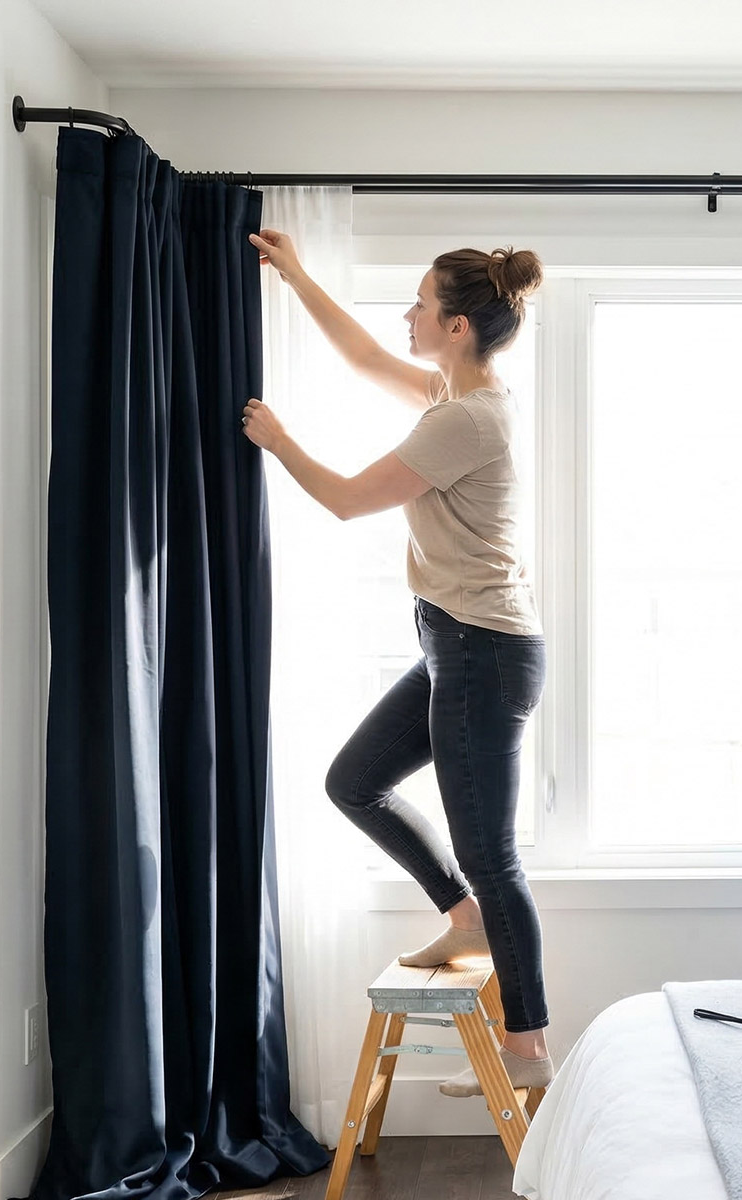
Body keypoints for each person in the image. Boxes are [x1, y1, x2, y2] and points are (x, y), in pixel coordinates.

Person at [242, 229, 551, 1097]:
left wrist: (276, 438)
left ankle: (528, 1048)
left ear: (457, 326)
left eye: (421, 303)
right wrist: (298, 276)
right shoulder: (457, 396)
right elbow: (367, 357)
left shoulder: (466, 418)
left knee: (492, 856)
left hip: (480, 652)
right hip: (457, 643)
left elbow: (344, 501)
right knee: (355, 782)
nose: (407, 314)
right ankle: (462, 918)